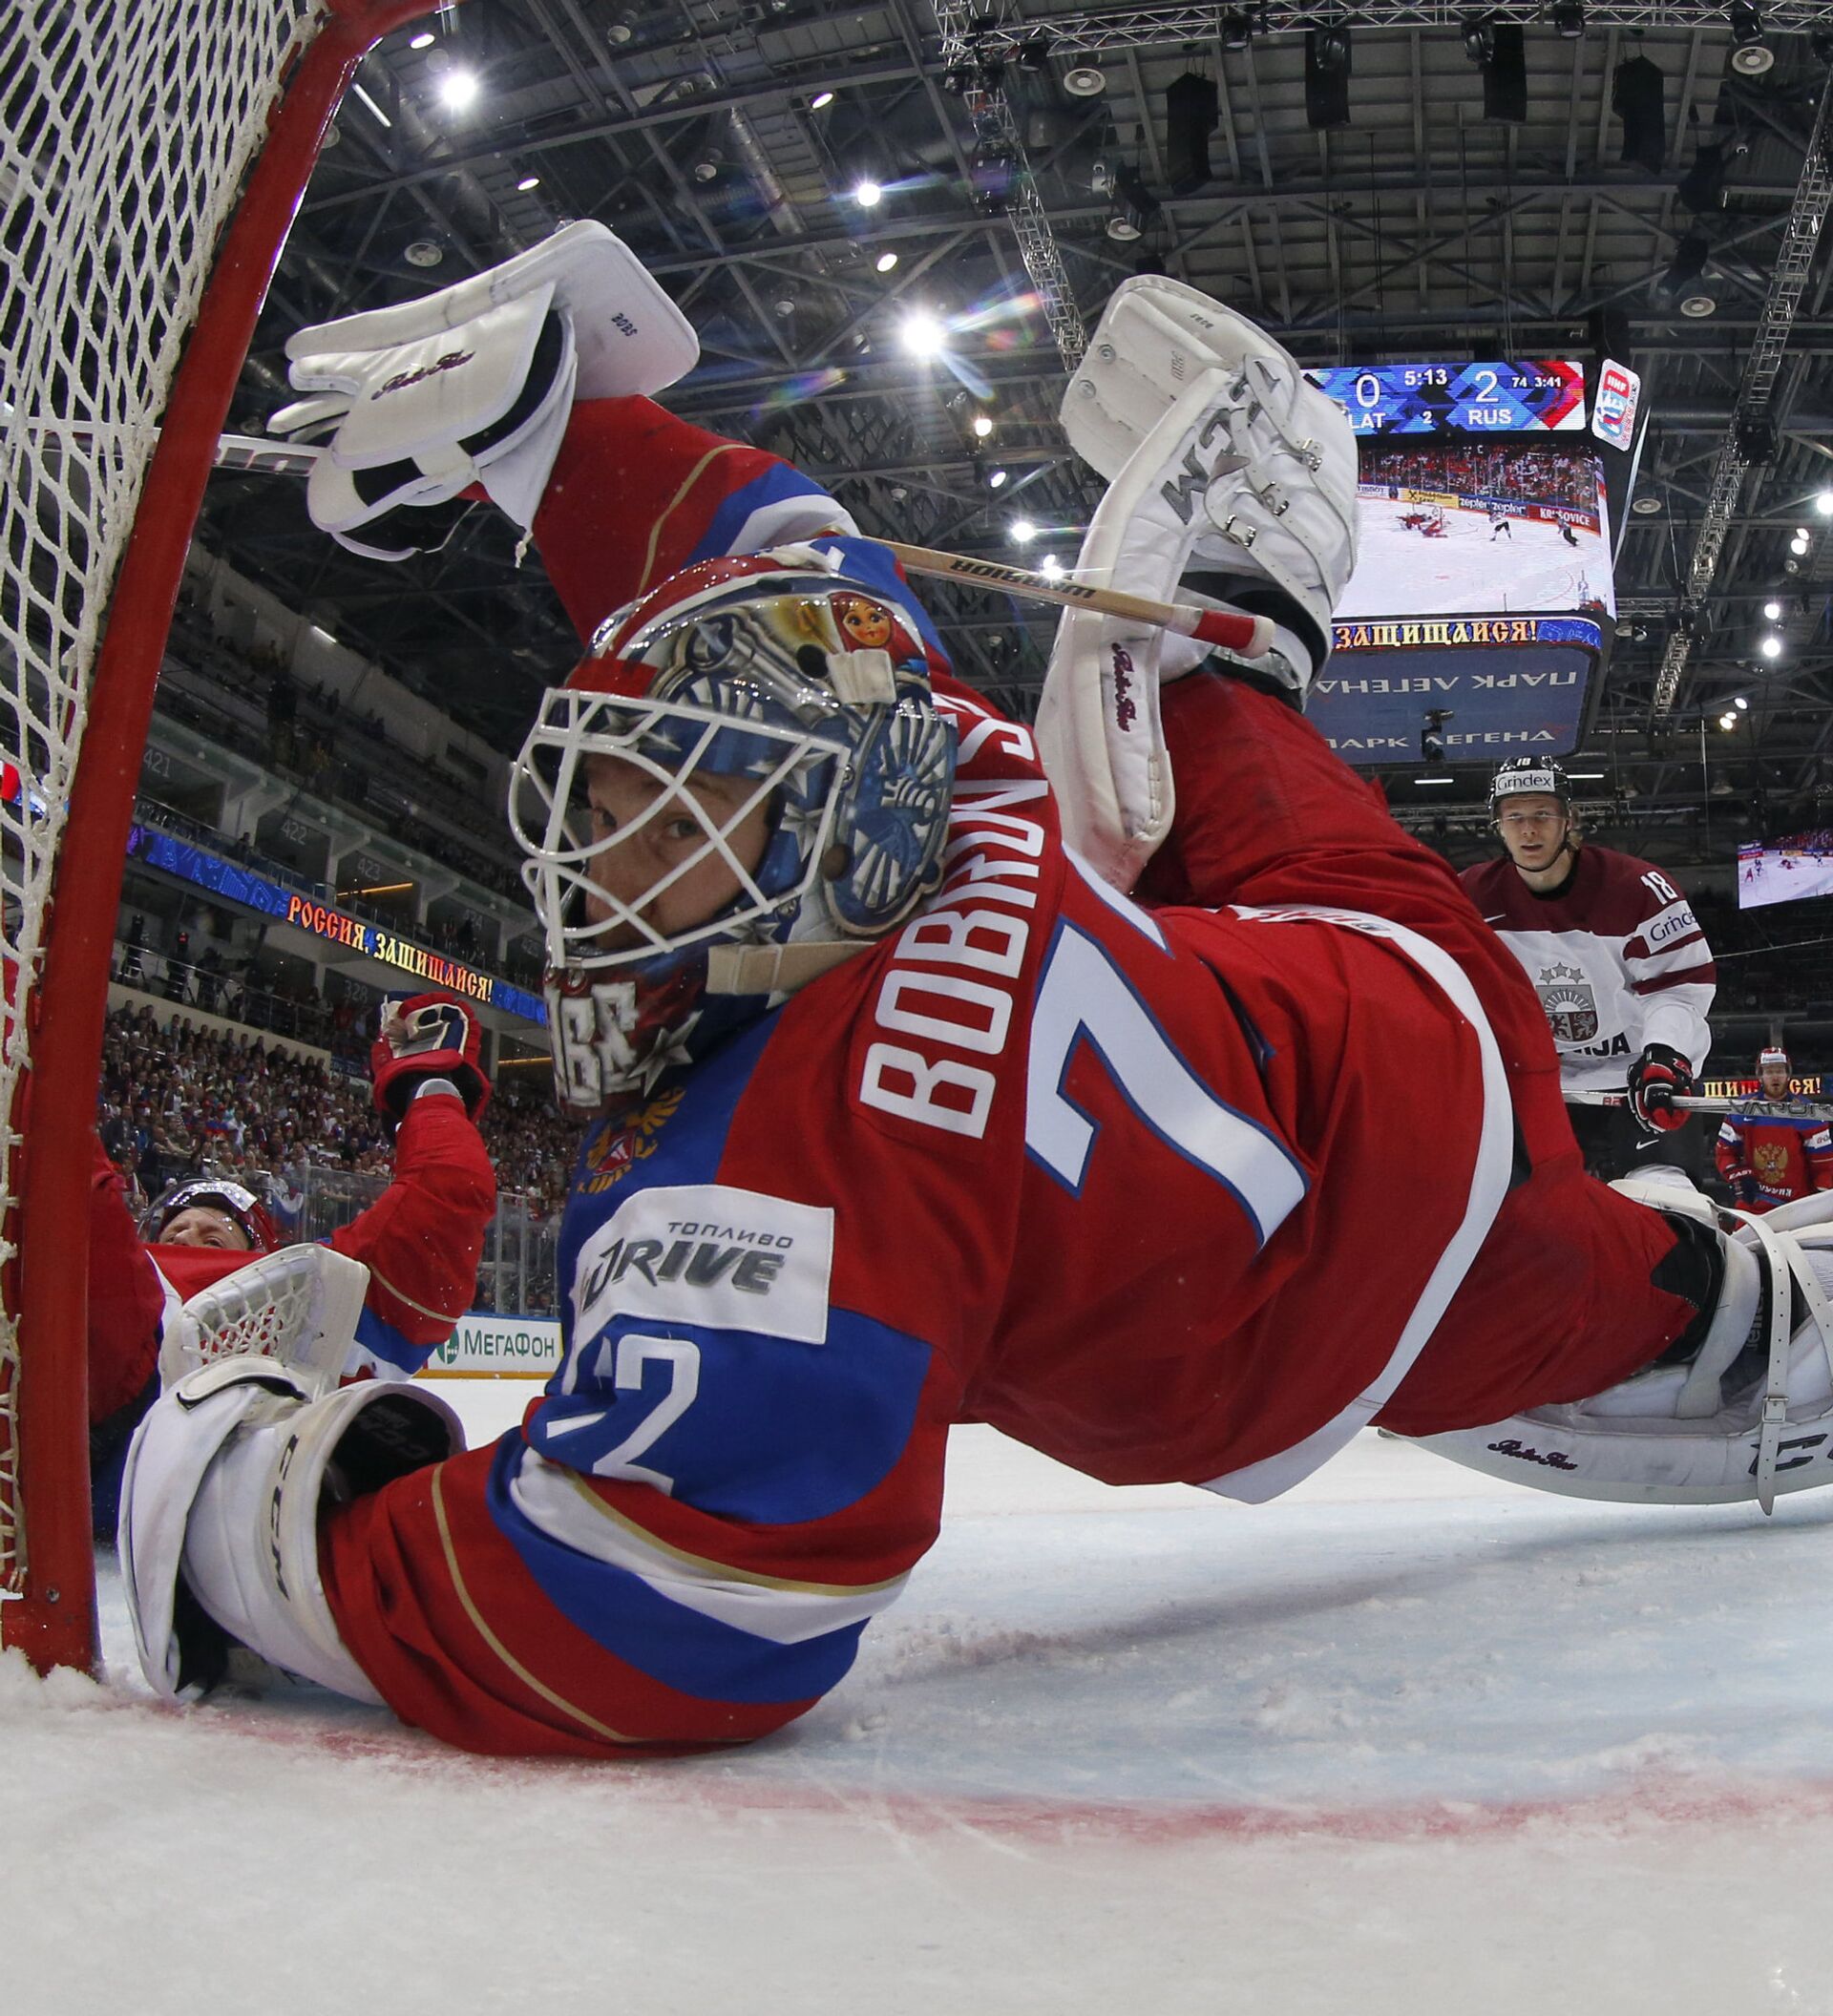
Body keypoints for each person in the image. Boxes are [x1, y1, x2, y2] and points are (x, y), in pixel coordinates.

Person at [117, 239, 1833, 1759]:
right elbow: (771, 558)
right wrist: (550, 417)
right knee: (1202, 678)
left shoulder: (781, 1181)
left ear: (823, 819)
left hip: (1387, 1264)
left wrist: (241, 1518)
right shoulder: (922, 761)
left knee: (1664, 1292)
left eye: (665, 806)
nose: (601, 855)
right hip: (1354, 977)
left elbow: (655, 1619)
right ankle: (1233, 636)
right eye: (617, 789)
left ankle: (1744, 1304)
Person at [87, 992, 497, 1537]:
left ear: (257, 1249)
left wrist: (425, 1089)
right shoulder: (138, 1266)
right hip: (71, 1393)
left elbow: (445, 1195)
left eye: (215, 1230)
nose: (191, 1235)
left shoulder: (311, 1287)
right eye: (178, 1231)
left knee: (62, 1164)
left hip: (161, 1435)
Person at [1460, 758, 1716, 1183]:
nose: (1529, 830)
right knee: (1518, 1218)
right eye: (1515, 816)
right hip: (1540, 1083)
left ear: (1568, 819)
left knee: (1666, 1203)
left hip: (1638, 1077)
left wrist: (1665, 1055)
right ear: (1497, 825)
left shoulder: (1637, 888)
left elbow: (1677, 989)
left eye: (1542, 813)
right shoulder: (1468, 896)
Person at [1714, 1043, 1833, 1213]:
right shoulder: (1741, 1108)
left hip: (1797, 1207)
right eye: (1769, 1071)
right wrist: (1739, 1176)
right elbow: (1725, 1153)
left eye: (1779, 1071)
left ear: (1787, 1075)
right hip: (1754, 1206)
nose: (1775, 1076)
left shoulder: (1808, 1111)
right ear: (1760, 1076)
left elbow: (1824, 1164)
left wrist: (1821, 1199)